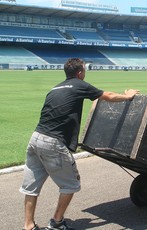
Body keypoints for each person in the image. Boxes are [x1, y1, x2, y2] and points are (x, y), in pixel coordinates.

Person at [19, 58, 139, 230]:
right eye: (84, 69)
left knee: (31, 186)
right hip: (52, 143)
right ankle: (57, 223)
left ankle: (28, 226)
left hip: (35, 139)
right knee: (71, 184)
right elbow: (108, 96)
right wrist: (128, 96)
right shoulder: (79, 84)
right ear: (79, 72)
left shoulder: (55, 88)